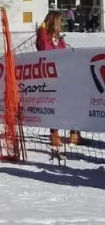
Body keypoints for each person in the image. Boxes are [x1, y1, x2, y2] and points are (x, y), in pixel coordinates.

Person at [36, 11, 82, 146]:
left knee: (72, 103)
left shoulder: (60, 39)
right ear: (53, 22)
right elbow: (43, 46)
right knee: (53, 106)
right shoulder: (44, 36)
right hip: (49, 77)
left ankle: (74, 133)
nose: (62, 24)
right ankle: (54, 134)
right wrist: (44, 26)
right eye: (59, 21)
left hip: (63, 77)